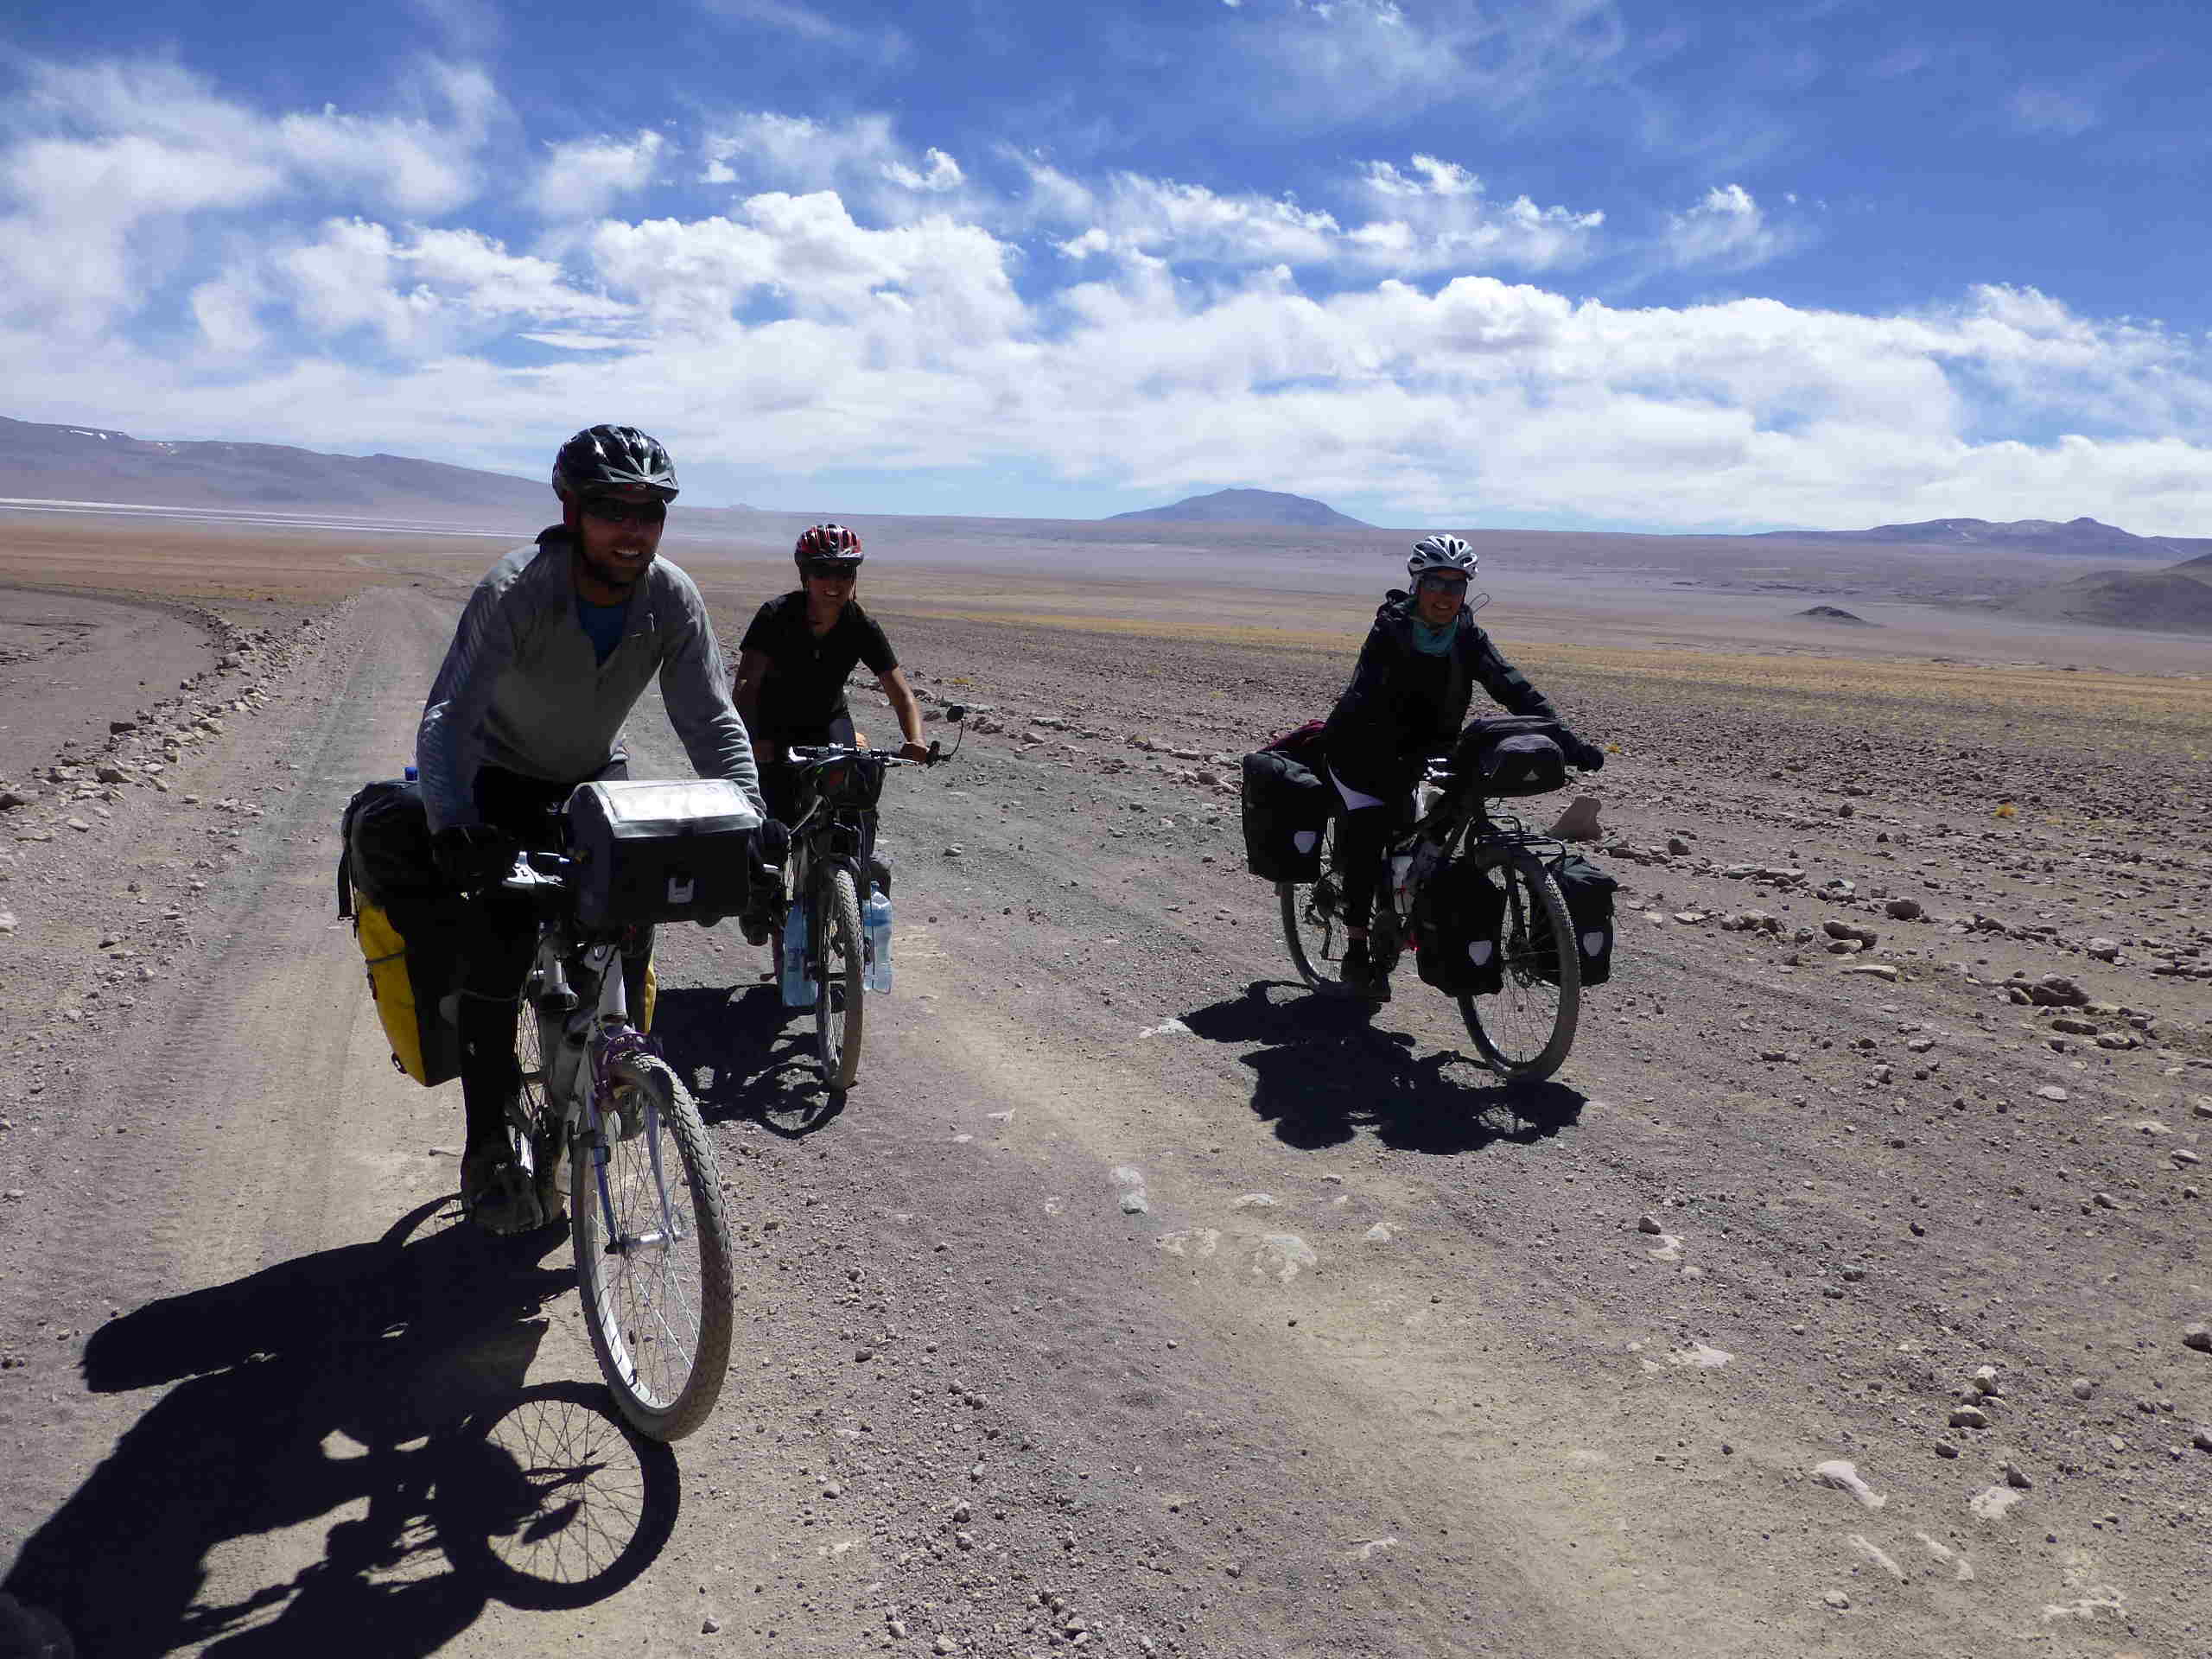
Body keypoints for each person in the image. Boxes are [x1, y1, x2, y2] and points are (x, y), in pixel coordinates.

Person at [416, 423, 765, 1234]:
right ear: (571, 511)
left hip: (594, 783)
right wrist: (454, 824)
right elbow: (449, 717)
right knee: (499, 949)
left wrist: (751, 814)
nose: (633, 531)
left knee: (630, 925)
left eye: (651, 512)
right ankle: (486, 1146)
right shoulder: (519, 589)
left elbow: (710, 719)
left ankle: (615, 1067)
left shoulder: (670, 597)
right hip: (500, 782)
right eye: (613, 511)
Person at [1320, 534, 1605, 1001]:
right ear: (1417, 584)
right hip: (1362, 748)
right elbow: (1369, 699)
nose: (1445, 595)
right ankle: (1356, 945)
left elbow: (1513, 687)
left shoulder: (1467, 635)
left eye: (1456, 585)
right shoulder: (1390, 631)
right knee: (1371, 832)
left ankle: (1416, 911)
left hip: (1428, 751)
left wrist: (1567, 741)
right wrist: (1401, 753)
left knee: (1442, 827)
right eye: (1436, 583)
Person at [732, 522, 928, 833]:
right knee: (774, 820)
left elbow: (900, 693)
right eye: (822, 572)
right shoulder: (775, 616)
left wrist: (915, 740)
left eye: (845, 573)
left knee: (853, 800)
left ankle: (856, 860)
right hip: (773, 724)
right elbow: (747, 685)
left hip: (828, 720)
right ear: (805, 576)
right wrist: (754, 738)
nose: (834, 583)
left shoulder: (860, 626)